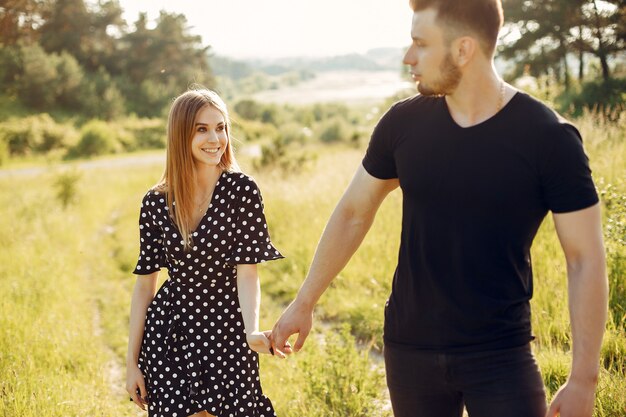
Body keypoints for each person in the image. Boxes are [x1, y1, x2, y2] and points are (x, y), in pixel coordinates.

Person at [270, 1, 608, 416]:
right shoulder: (403, 123)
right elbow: (354, 211)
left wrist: (582, 380)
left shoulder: (549, 138)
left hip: (501, 354)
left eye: (420, 44)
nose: (407, 57)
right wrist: (304, 301)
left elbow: (584, 259)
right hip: (409, 350)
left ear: (463, 50)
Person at [125, 88, 286, 417]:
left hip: (226, 330)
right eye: (202, 129)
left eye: (221, 127)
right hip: (171, 330)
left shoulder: (241, 190)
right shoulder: (156, 202)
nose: (215, 138)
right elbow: (145, 286)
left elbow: (248, 271)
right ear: (181, 135)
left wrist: (252, 329)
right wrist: (131, 364)